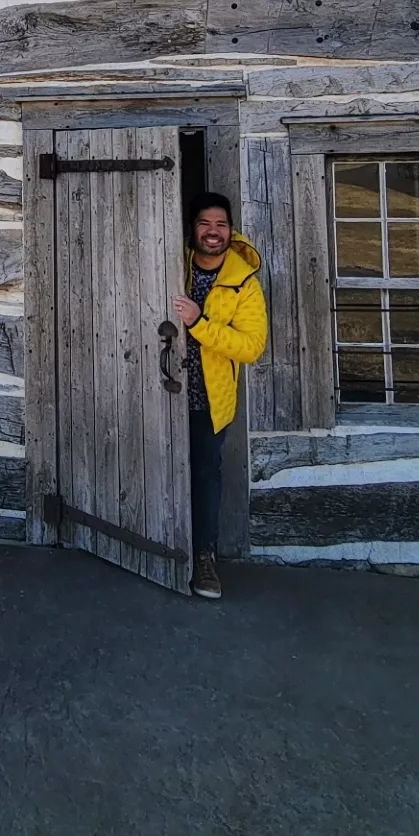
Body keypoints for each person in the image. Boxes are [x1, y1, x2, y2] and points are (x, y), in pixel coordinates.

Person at [170, 192, 268, 600]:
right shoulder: (171, 264)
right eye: (205, 224)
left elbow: (250, 347)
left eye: (221, 225)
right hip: (158, 388)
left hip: (208, 400)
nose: (213, 232)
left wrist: (199, 322)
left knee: (204, 476)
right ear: (193, 229)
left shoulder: (243, 281)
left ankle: (204, 558)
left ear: (231, 230)